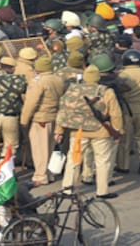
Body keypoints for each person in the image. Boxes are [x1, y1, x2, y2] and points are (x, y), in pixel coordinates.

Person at [56, 66, 123, 199]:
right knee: (102, 161)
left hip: (78, 131)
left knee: (73, 160)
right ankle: (102, 191)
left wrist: (59, 130)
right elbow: (116, 114)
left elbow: (63, 110)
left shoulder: (72, 90)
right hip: (101, 131)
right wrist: (117, 131)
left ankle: (67, 189)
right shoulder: (106, 91)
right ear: (98, 77)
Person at [20, 56, 65, 186]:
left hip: (40, 118)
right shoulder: (58, 79)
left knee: (39, 149)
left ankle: (40, 176)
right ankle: (48, 174)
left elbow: (31, 102)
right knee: (49, 147)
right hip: (53, 116)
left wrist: (24, 120)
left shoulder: (38, 81)